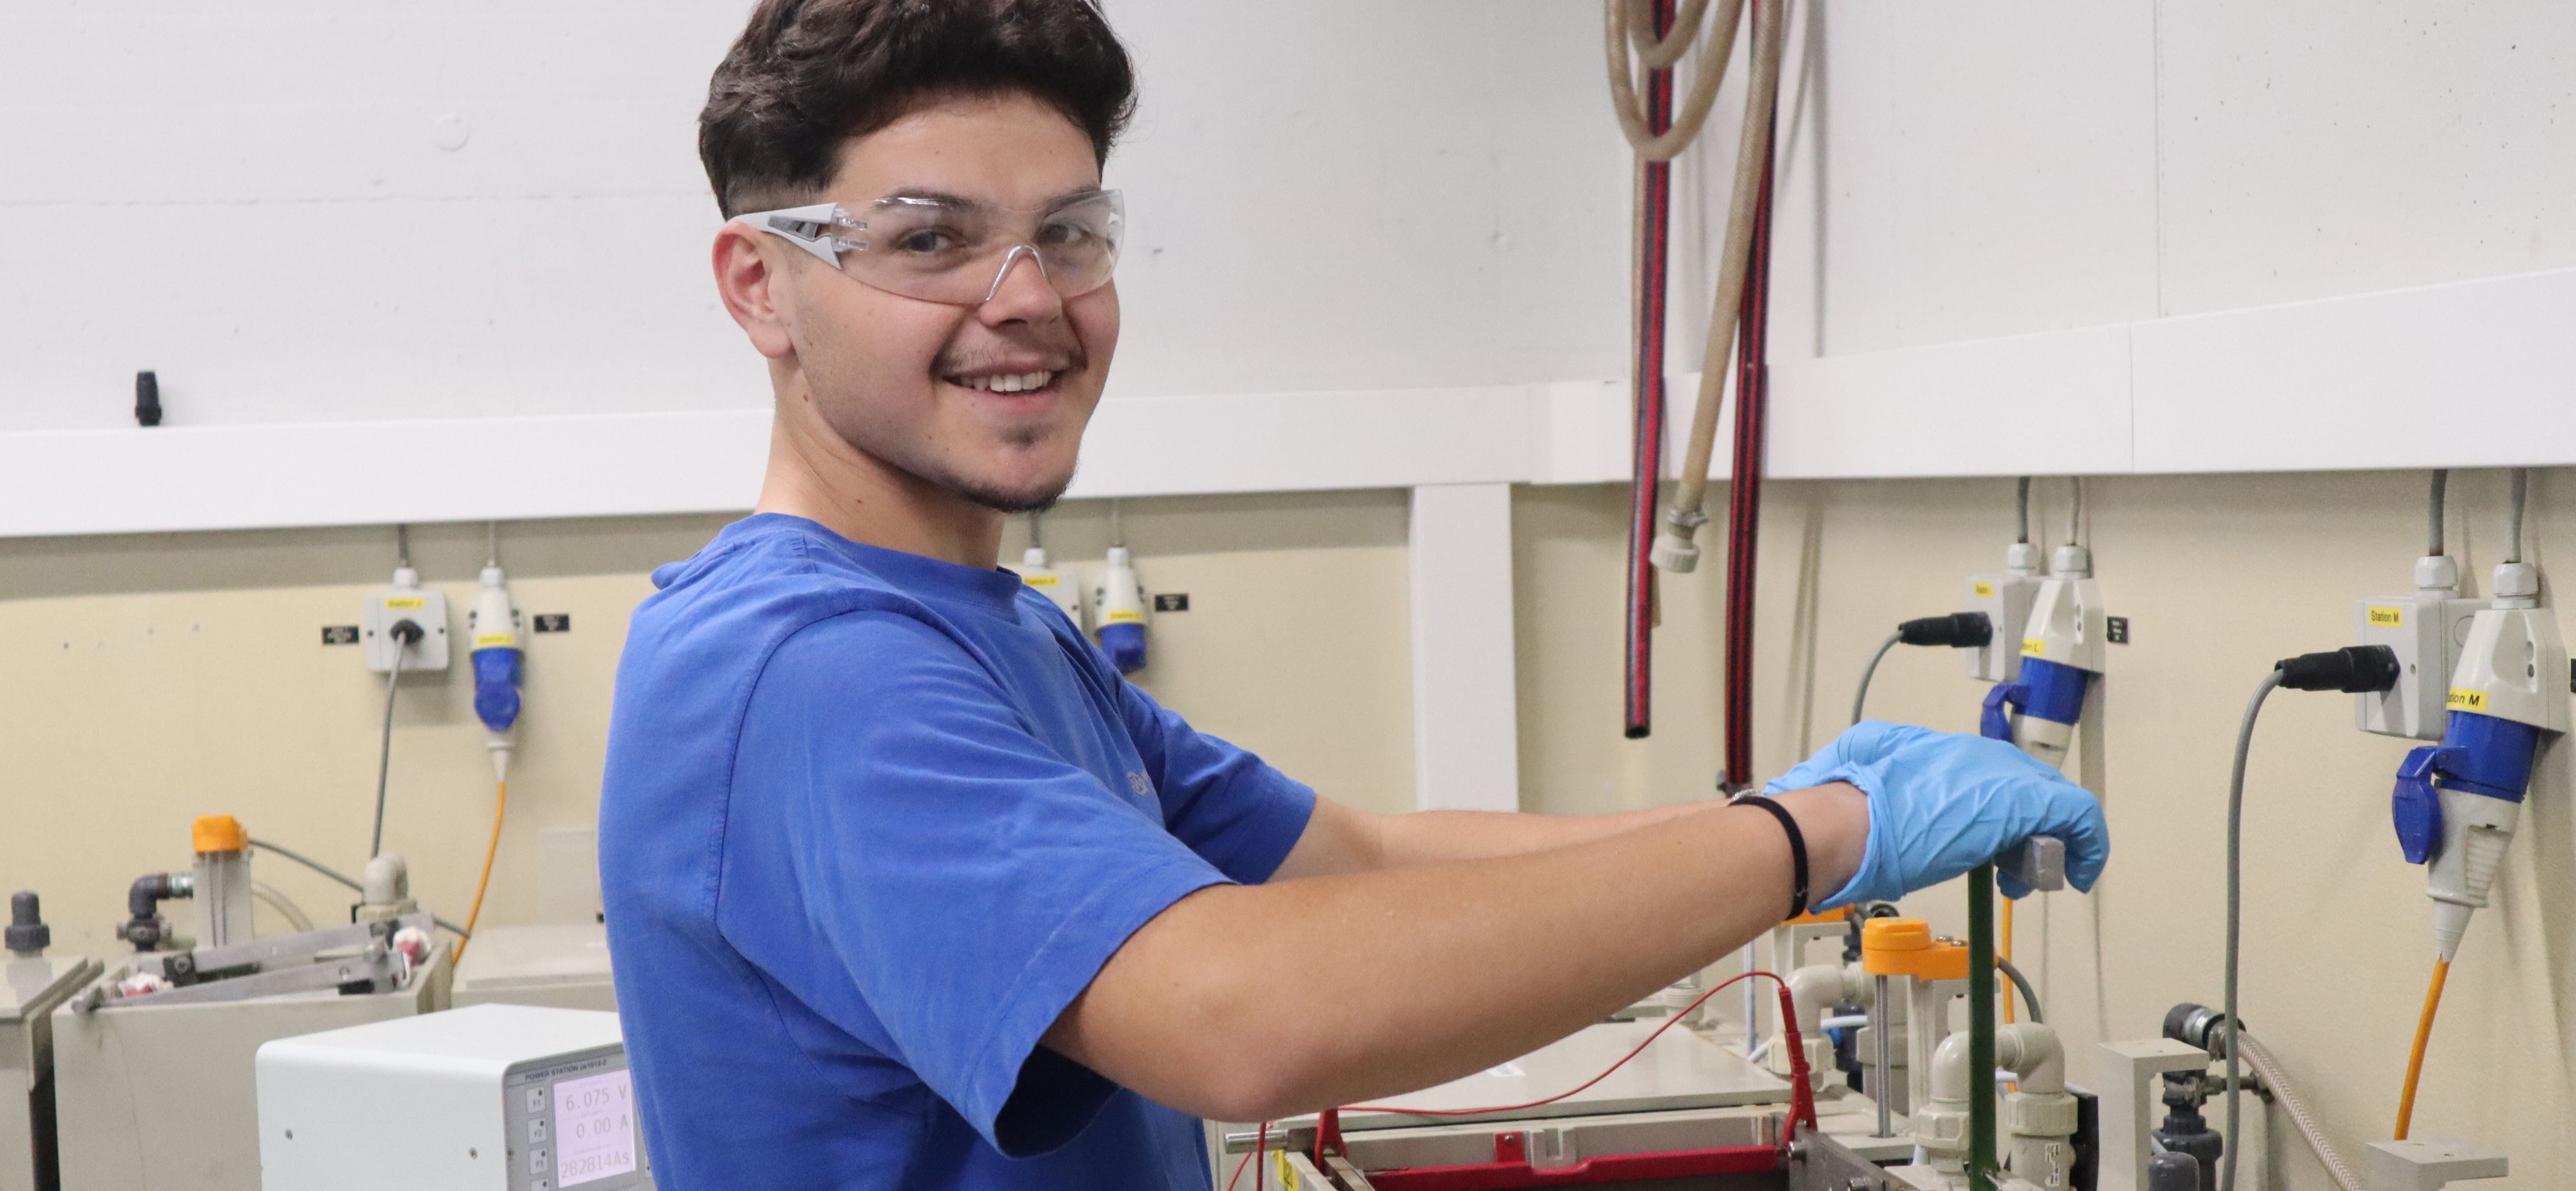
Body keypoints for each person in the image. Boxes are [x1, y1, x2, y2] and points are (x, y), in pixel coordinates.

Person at [597, 1, 2109, 1187]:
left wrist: (1799, 802)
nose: (1029, 299)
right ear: (757, 286)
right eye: (927, 239)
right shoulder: (805, 668)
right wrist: (1808, 842)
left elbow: (1355, 855)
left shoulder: (995, 629)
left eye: (1067, 230)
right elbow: (1240, 1018)